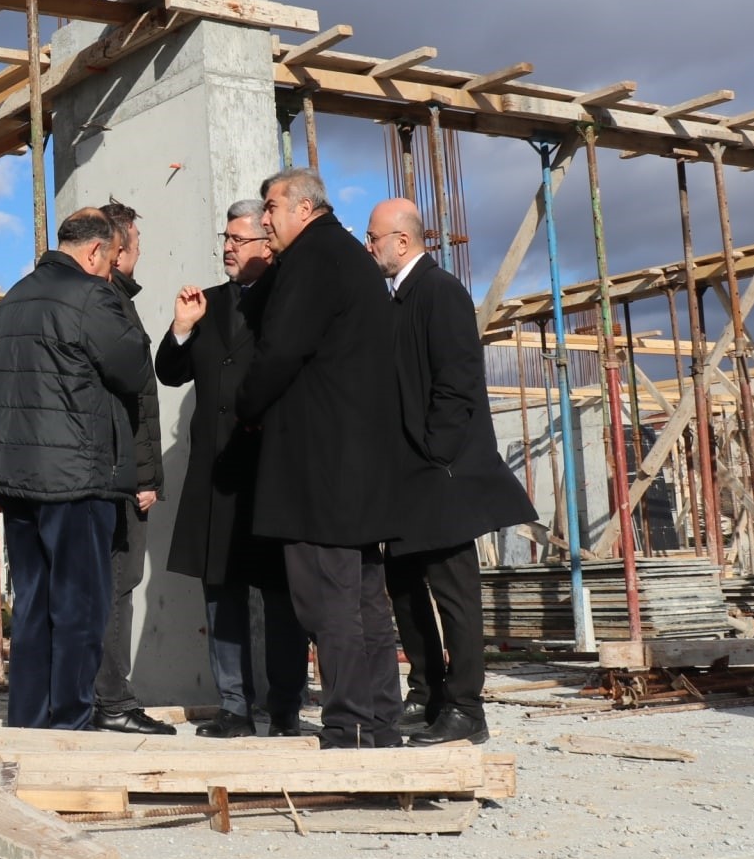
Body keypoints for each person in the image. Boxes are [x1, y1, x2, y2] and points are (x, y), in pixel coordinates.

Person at [235, 168, 404, 750]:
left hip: (318, 466)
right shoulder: (351, 259)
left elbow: (281, 350)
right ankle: (380, 720)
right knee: (364, 599)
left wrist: (248, 404)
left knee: (328, 600)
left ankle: (349, 722)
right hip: (359, 464)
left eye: (272, 206)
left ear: (304, 208)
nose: (265, 219)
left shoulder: (311, 260)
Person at [367, 198, 535, 747]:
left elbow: (457, 381)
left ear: (402, 241)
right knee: (405, 588)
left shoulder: (438, 292)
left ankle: (466, 707)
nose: (369, 248)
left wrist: (435, 454)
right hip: (409, 476)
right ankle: (428, 694)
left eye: (374, 239)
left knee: (453, 593)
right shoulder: (395, 299)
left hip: (440, 476)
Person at [0, 207, 152, 730]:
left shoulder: (11, 301)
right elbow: (133, 368)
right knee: (80, 605)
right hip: (74, 476)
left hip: (16, 475)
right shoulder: (91, 296)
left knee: (32, 603)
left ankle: (29, 720)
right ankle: (71, 723)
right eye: (112, 257)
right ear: (97, 252)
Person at [156, 199, 309, 738]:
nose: (227, 247)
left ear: (267, 246)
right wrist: (180, 328)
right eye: (224, 238)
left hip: (272, 468)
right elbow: (170, 374)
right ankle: (235, 708)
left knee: (282, 592)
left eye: (238, 240)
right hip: (215, 472)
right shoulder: (208, 302)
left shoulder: (290, 299)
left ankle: (287, 704)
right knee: (221, 591)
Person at [91, 201, 175, 736]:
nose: (140, 253)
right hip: (119, 473)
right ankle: (113, 701)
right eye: (137, 245)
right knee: (119, 584)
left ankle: (104, 696)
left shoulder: (109, 302)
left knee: (106, 585)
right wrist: (146, 476)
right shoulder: (111, 307)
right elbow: (135, 401)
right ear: (117, 250)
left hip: (106, 469)